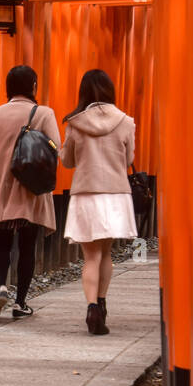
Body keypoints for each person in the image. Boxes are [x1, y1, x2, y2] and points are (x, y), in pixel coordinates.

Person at [59, 69, 137, 335]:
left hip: (86, 194)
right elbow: (127, 161)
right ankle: (102, 304)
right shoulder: (126, 121)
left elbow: (68, 161)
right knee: (106, 252)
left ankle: (91, 307)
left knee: (90, 256)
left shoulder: (75, 123)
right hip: (115, 194)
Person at [0, 64, 59, 318]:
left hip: (1, 189)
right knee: (27, 245)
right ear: (33, 86)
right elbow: (55, 147)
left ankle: (1, 286)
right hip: (30, 189)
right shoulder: (44, 114)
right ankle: (20, 302)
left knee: (1, 243)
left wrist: (1, 164)